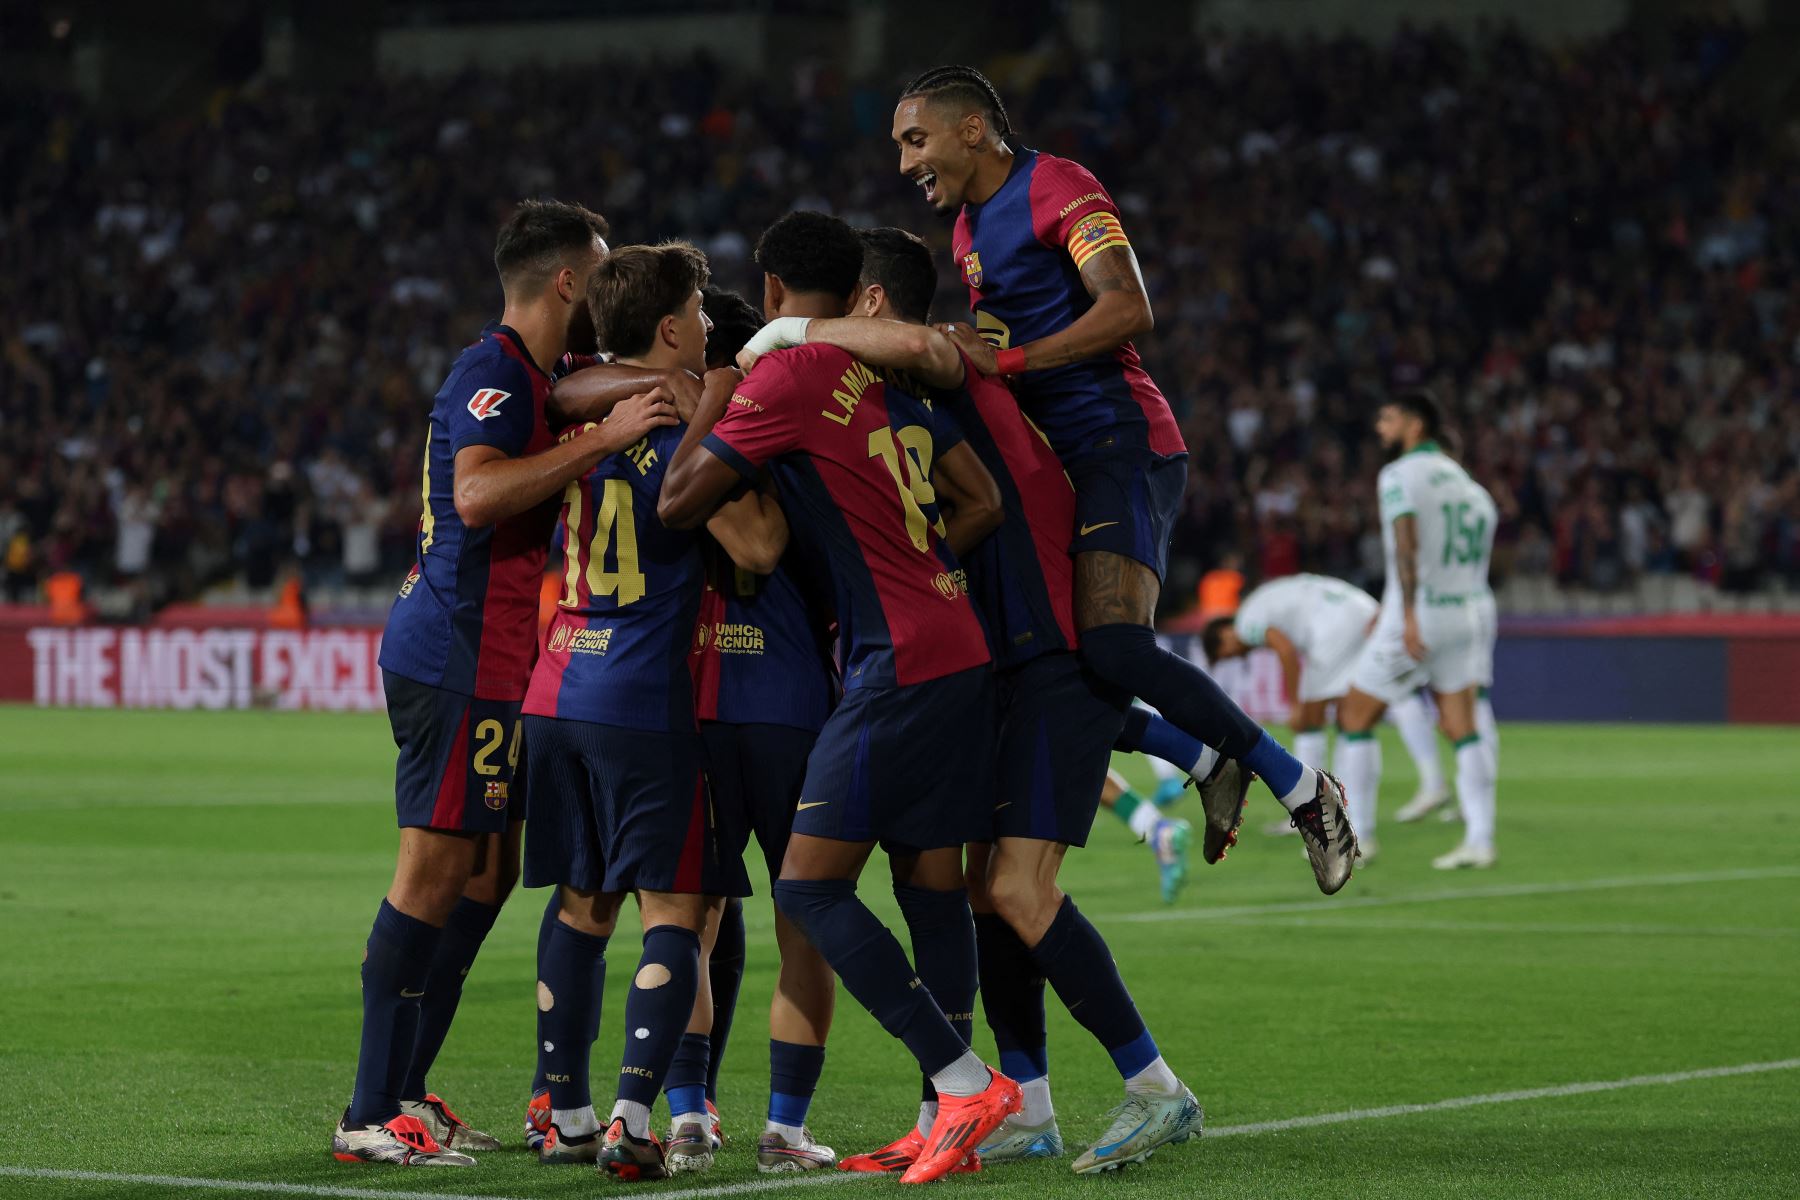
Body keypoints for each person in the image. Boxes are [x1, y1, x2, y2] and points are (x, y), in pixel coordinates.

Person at [740, 226, 1202, 1174]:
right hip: (991, 660)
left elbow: (918, 352)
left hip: (1040, 654)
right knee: (974, 892)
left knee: (1008, 890)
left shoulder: (944, 366)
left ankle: (1152, 1086)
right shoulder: (910, 394)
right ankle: (1022, 1106)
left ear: (867, 305)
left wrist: (782, 339)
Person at [890, 65, 1355, 892]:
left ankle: (1301, 786)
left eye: (915, 139)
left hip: (1120, 441)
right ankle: (1205, 756)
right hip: (1050, 463)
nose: (904, 162)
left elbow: (1128, 308)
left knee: (1109, 642)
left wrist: (1009, 360)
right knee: (1050, 662)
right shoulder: (963, 232)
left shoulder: (1056, 185)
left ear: (971, 130)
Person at [658, 211, 1021, 1186]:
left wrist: (716, 393)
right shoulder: (886, 388)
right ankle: (941, 1119)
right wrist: (918, 571)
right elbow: (982, 500)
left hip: (895, 663)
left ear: (772, 294)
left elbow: (681, 498)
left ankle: (962, 1080)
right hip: (954, 640)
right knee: (929, 888)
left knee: (810, 886)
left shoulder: (784, 376)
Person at [335, 200, 679, 1168]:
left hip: (493, 664)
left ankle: (406, 1089)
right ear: (565, 280)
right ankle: (367, 1114)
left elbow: (582, 391)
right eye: (599, 273)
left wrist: (676, 381)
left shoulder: (540, 373)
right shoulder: (493, 370)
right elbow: (480, 493)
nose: (607, 291)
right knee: (434, 875)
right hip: (454, 657)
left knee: (484, 878)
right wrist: (602, 443)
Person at [522, 242, 784, 1180]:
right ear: (670, 328)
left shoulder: (579, 407)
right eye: (701, 319)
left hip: (559, 682)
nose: (713, 331)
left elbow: (561, 398)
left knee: (582, 901)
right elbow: (752, 549)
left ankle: (567, 1112)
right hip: (642, 695)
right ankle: (637, 1118)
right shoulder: (680, 430)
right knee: (678, 905)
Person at [686, 285, 846, 1173]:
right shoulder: (795, 438)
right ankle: (784, 1127)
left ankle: (685, 1114)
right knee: (801, 922)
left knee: (688, 921)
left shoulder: (675, 441)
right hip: (791, 708)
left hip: (701, 704)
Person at [1333, 391, 1500, 869]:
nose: (1379, 428)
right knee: (1464, 728)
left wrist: (1405, 614)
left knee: (1354, 716)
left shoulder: (1399, 475)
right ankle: (1480, 840)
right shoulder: (1471, 486)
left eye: (1388, 418)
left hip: (1419, 614)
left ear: (1415, 424)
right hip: (1465, 612)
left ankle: (1357, 840)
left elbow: (1406, 547)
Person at [1201, 573, 1450, 857]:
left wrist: (1295, 703)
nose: (1238, 656)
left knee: (1313, 721)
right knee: (1353, 720)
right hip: (1361, 610)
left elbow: (1284, 649)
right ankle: (1341, 821)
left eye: (1228, 653)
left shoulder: (1245, 622)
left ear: (1224, 634)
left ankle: (1327, 822)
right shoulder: (1264, 600)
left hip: (1334, 628)